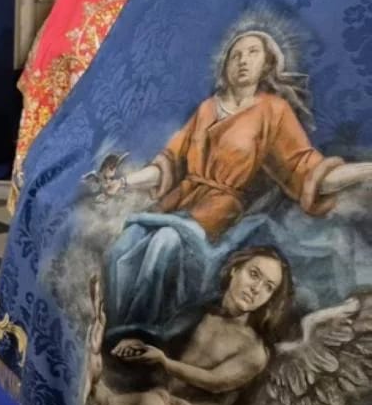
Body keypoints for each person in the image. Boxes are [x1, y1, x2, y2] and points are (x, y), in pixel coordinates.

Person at [98, 29, 372, 342]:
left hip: (218, 214)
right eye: (236, 55)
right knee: (123, 245)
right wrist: (123, 183)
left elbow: (305, 169)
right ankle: (112, 333)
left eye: (252, 53)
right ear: (225, 65)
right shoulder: (206, 109)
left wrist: (365, 170)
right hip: (178, 200)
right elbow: (170, 163)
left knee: (166, 242)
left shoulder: (273, 111)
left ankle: (142, 334)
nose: (243, 61)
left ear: (266, 64)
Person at [105, 247, 292, 405]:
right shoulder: (203, 311)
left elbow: (214, 381)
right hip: (164, 401)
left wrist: (164, 362)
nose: (256, 289)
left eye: (269, 287)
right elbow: (161, 336)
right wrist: (137, 344)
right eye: (254, 274)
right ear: (234, 270)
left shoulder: (255, 350)